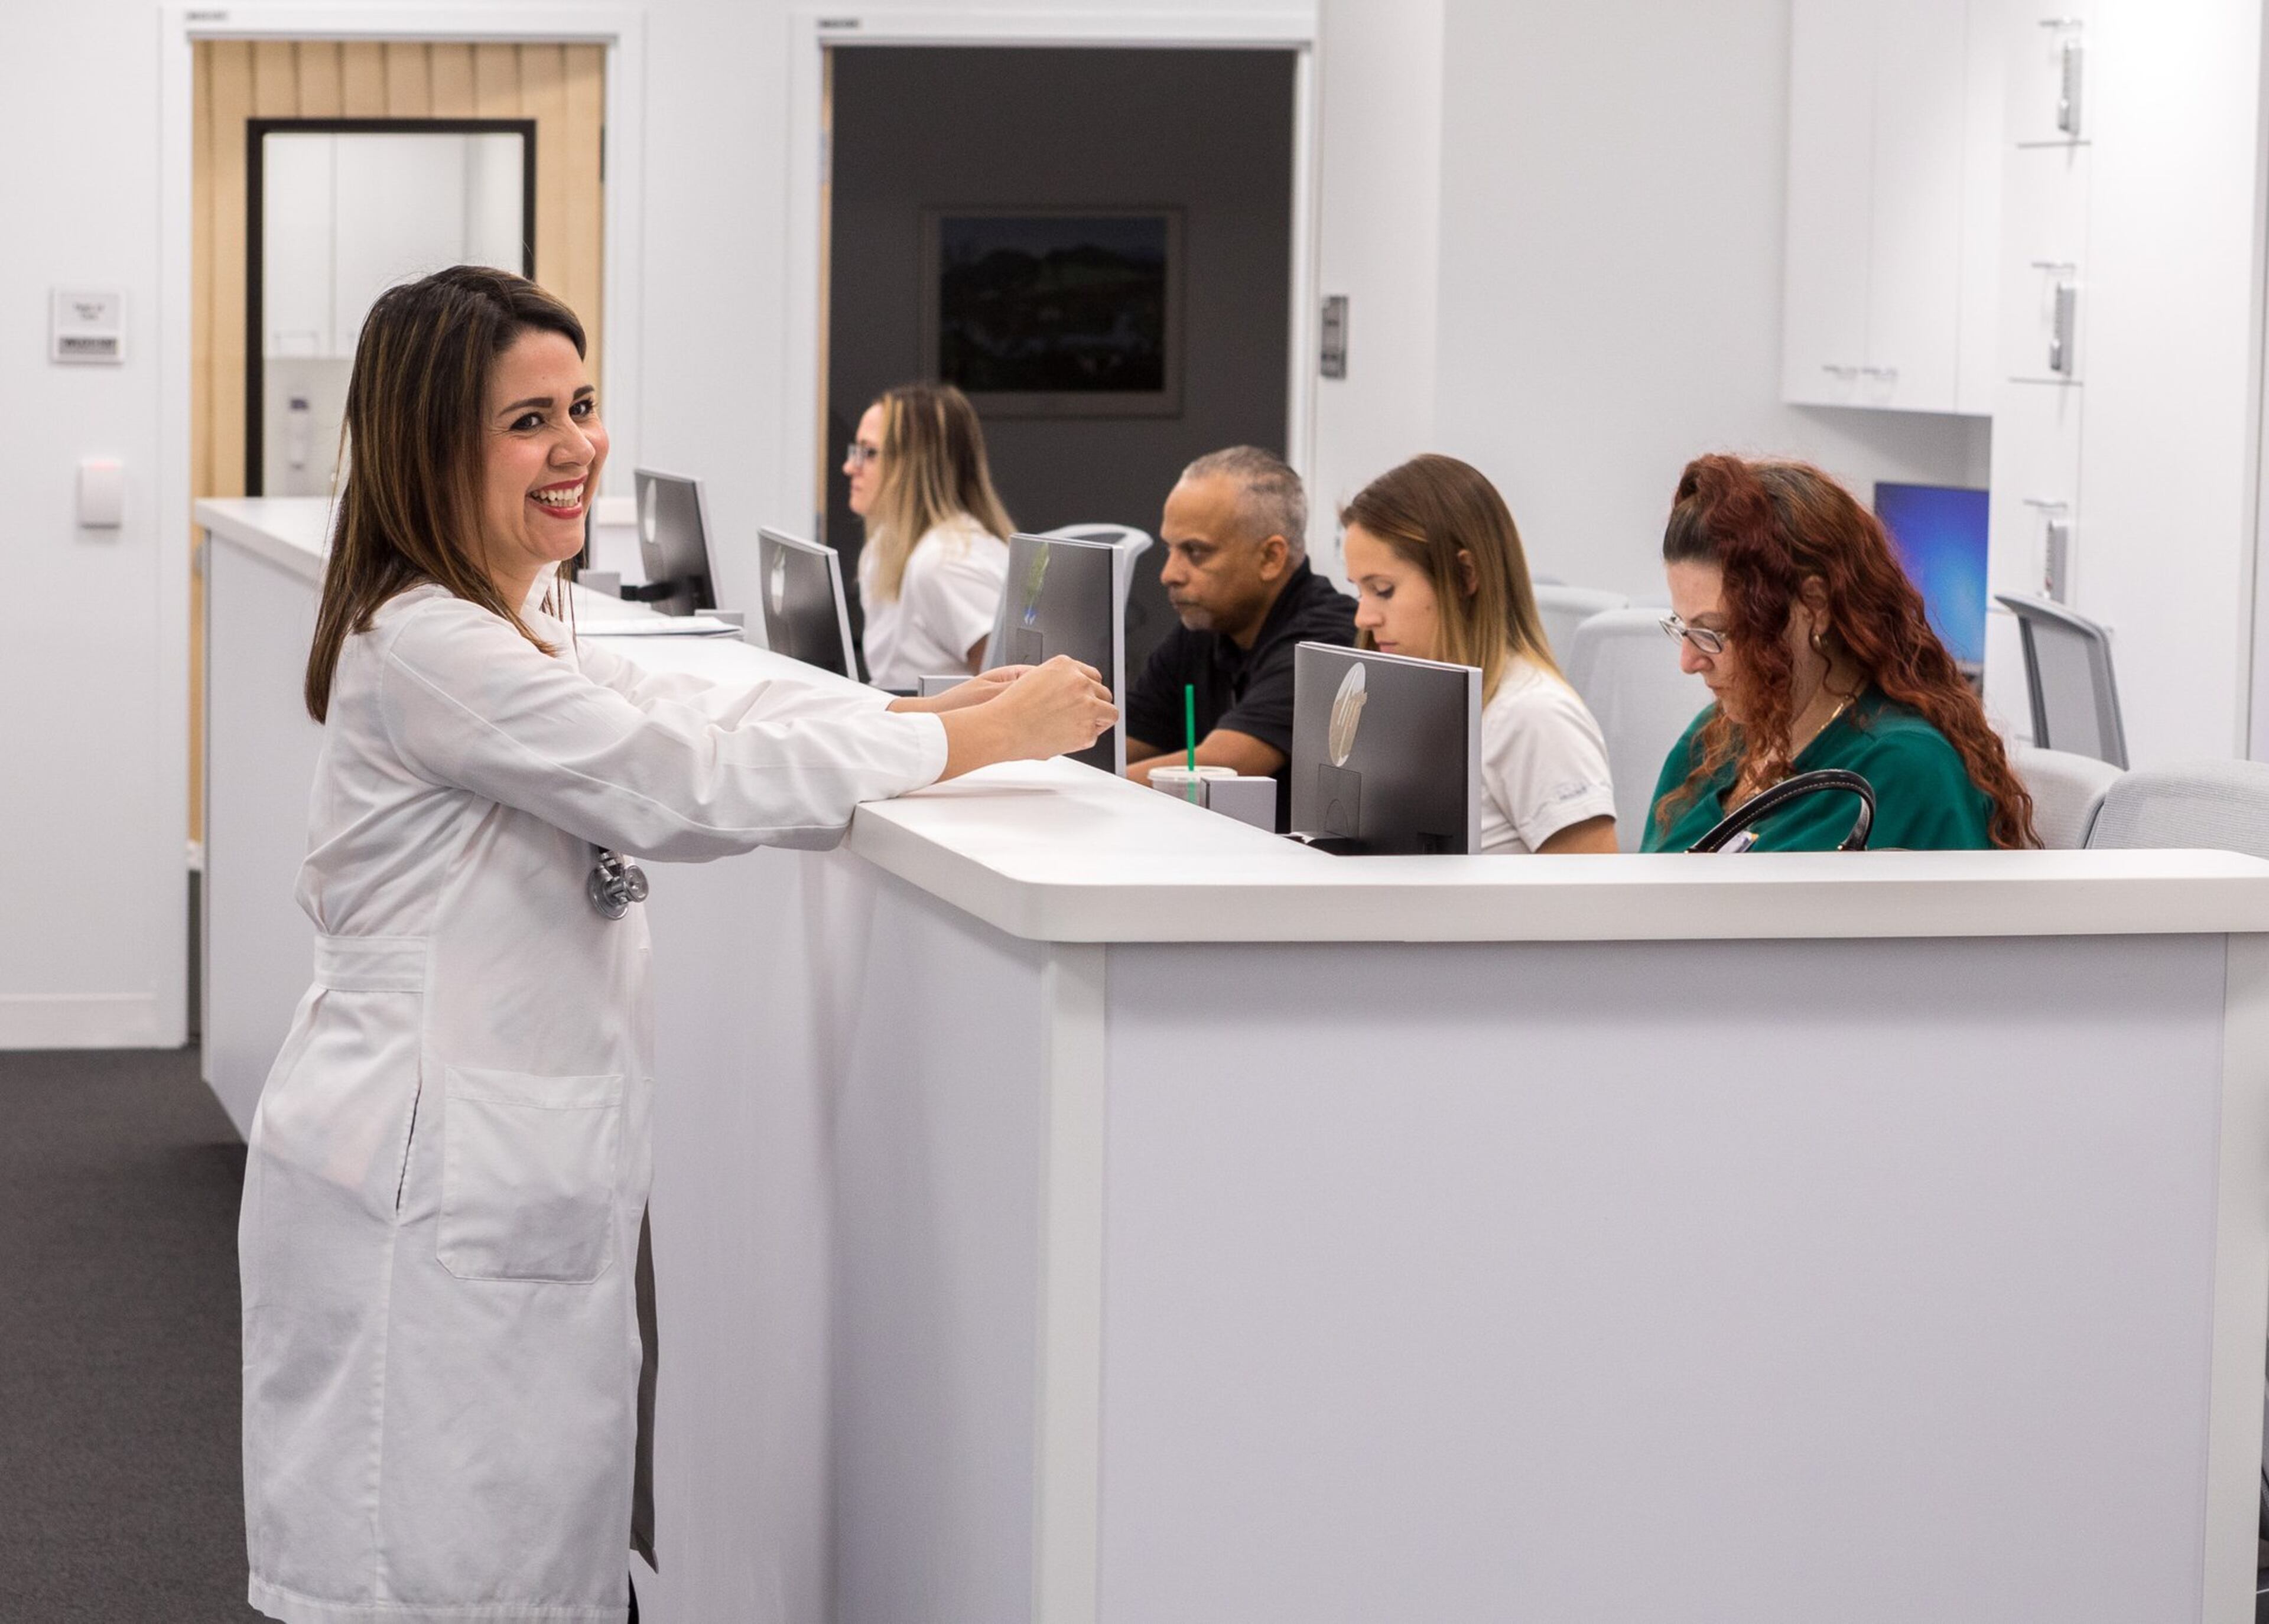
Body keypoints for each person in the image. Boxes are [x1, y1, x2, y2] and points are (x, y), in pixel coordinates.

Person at [238, 266, 1114, 1624]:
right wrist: (980, 735)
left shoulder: (516, 626)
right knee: (420, 1566)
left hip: (496, 1170)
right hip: (420, 1182)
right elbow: (683, 784)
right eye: (530, 420)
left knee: (522, 1548)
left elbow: (702, 720)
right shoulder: (431, 648)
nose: (579, 446)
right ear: (432, 446)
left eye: (582, 406)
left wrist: (928, 704)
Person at [1644, 453, 2037, 852]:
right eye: (1684, 628)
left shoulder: (1902, 774)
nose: (1689, 661)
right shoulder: (1710, 745)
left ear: (1814, 607)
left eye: (1714, 631)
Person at [1340, 455, 1618, 854]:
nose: (1363, 617)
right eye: (1358, 590)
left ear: (1465, 576)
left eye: (1383, 589)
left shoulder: (1532, 717)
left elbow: (1595, 904)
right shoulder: (1421, 702)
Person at [1123, 446, 1356, 828]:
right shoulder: (1206, 625)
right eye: (1170, 548)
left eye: (1194, 551)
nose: (1169, 573)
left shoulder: (1326, 639)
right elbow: (1121, 745)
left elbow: (1225, 763)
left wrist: (1078, 787)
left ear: (1270, 558)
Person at [845, 381, 1015, 689]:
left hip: (943, 735)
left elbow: (1014, 696)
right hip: (908, 727)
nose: (849, 467)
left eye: (868, 453)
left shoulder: (946, 564)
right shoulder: (886, 545)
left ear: (913, 464)